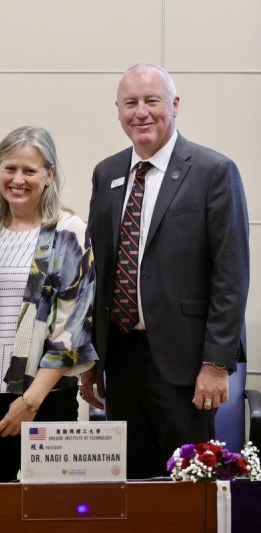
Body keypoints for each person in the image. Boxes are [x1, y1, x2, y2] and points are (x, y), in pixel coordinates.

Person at [81, 63, 250, 479]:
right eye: (130, 103)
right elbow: (97, 271)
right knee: (131, 483)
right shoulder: (107, 173)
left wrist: (216, 364)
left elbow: (231, 274)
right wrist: (91, 360)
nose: (141, 112)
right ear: (118, 110)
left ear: (174, 105)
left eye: (152, 101)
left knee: (189, 484)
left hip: (186, 365)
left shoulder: (213, 171)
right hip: (120, 359)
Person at [0, 126, 97, 481]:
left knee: (50, 513)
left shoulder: (68, 232)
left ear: (49, 174)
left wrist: (30, 402)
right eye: (10, 168)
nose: (18, 179)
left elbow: (73, 327)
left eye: (29, 170)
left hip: (46, 400)